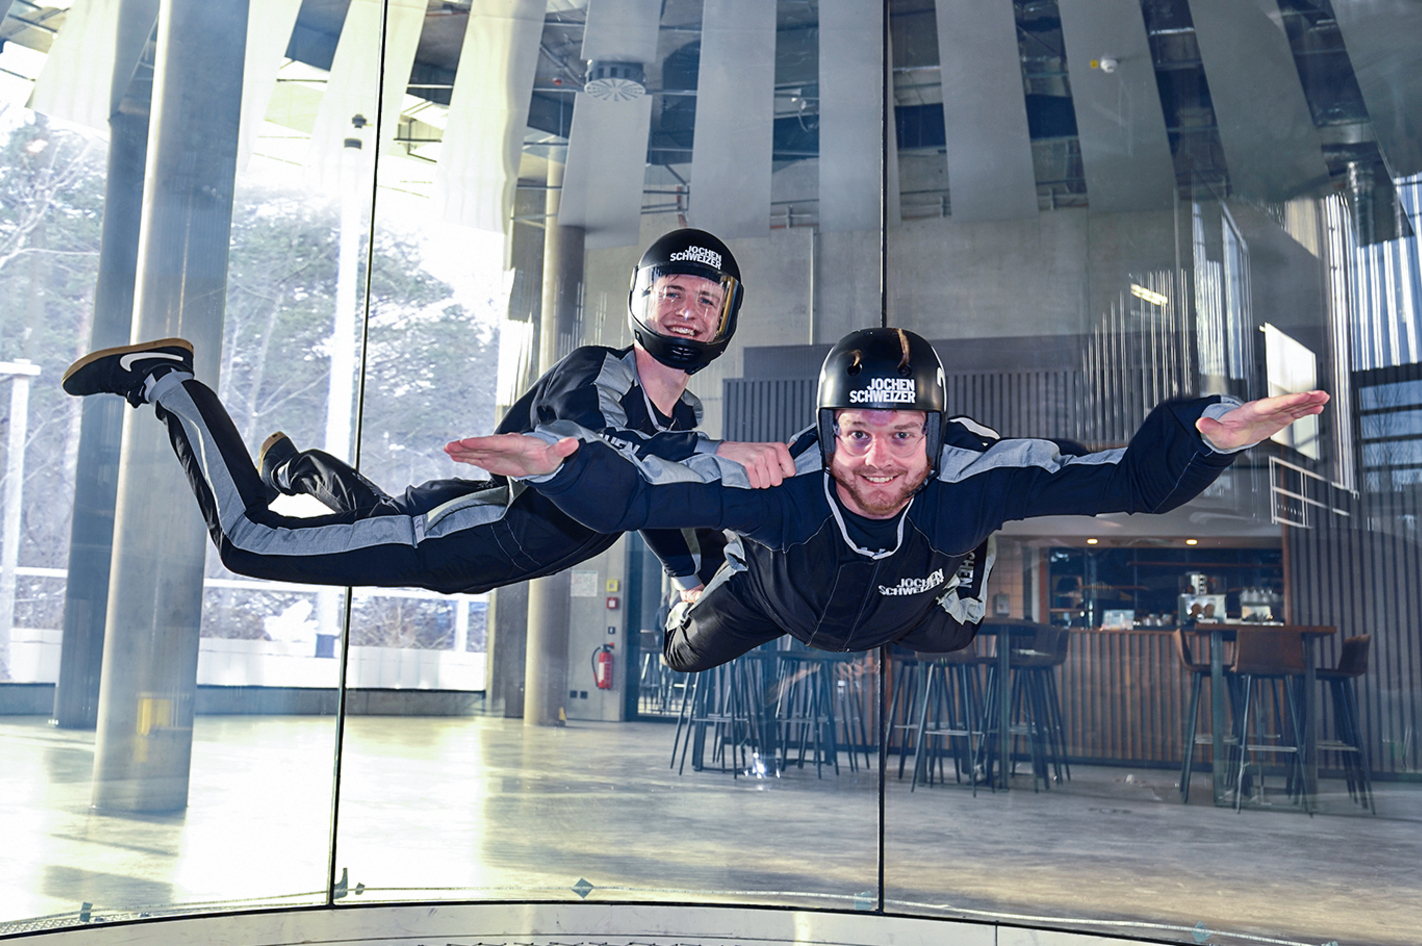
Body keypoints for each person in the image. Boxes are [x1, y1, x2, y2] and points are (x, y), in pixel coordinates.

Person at [445, 327, 1330, 671]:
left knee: (956, 634)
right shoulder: (786, 483)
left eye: (904, 436)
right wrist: (563, 465)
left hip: (912, 603)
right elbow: (645, 490)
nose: (875, 461)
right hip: (775, 595)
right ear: (828, 430)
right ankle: (700, 587)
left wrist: (1208, 434)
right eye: (856, 435)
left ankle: (963, 572)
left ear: (935, 435)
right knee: (680, 657)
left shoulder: (973, 477)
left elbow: (1129, 480)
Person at [61, 228, 795, 595]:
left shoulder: (682, 419)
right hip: (433, 537)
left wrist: (693, 577)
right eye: (674, 293)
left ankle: (288, 465)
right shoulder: (596, 371)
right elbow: (594, 455)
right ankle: (169, 385)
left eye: (707, 300)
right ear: (642, 299)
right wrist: (719, 453)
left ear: (726, 315)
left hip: (452, 549)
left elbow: (656, 502)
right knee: (249, 542)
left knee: (366, 506)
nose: (691, 314)